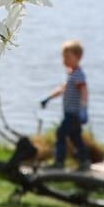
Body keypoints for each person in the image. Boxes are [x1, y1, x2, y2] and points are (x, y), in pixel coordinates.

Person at [40, 39, 91, 171]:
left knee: (61, 133)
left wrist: (84, 108)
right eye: (63, 57)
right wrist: (48, 98)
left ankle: (59, 162)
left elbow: (84, 91)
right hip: (69, 113)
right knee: (76, 138)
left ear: (78, 57)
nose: (64, 60)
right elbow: (62, 89)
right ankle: (84, 162)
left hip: (74, 113)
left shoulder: (78, 74)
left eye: (68, 57)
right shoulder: (71, 74)